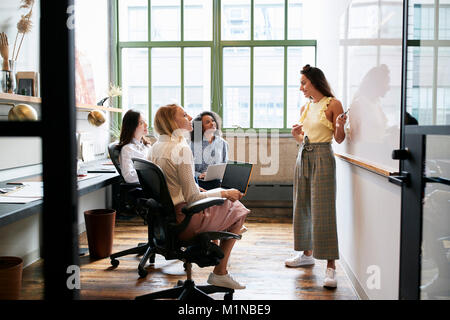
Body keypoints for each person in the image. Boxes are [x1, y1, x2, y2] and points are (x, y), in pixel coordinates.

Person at [151, 104, 250, 290]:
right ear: (172, 122)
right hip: (185, 220)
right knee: (238, 209)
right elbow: (193, 199)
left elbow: (174, 185)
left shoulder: (156, 147)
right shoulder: (181, 149)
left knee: (228, 207)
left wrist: (203, 190)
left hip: (165, 221)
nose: (189, 117)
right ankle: (220, 272)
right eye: (183, 114)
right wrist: (225, 193)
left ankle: (211, 250)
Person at [285, 64, 347, 289]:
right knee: (302, 205)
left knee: (323, 210)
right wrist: (297, 137)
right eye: (301, 83)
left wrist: (340, 125)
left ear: (315, 82)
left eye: (304, 83)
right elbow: (305, 137)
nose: (301, 87)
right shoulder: (306, 106)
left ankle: (330, 267)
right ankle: (306, 253)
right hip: (304, 154)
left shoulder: (333, 104)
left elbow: (339, 139)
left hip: (323, 156)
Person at [190, 111, 229, 190]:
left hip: (217, 183)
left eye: (213, 120)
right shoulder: (192, 144)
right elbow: (188, 167)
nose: (212, 123)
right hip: (199, 183)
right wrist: (198, 175)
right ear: (201, 127)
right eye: (208, 122)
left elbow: (225, 165)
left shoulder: (223, 143)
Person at [118, 109, 152, 184]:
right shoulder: (127, 149)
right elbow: (129, 176)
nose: (146, 124)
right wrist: (151, 174)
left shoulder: (147, 146)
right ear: (132, 126)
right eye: (141, 123)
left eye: (145, 121)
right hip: (145, 188)